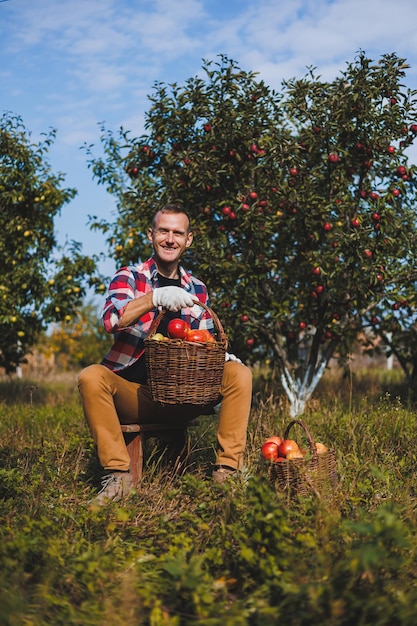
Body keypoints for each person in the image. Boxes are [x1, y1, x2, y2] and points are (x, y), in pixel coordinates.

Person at [78, 203, 252, 504]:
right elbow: (112, 320)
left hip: (185, 396)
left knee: (239, 373)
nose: (170, 239)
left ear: (189, 239)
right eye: (164, 231)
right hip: (137, 397)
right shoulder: (129, 277)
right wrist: (154, 298)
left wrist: (218, 355)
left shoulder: (197, 288)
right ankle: (119, 477)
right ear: (151, 235)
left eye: (178, 233)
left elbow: (206, 338)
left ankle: (227, 473)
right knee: (91, 376)